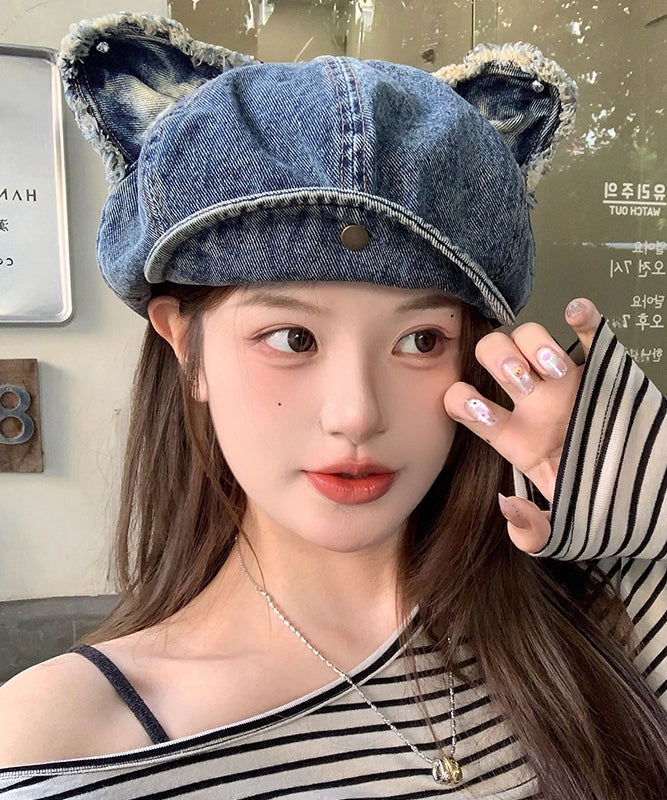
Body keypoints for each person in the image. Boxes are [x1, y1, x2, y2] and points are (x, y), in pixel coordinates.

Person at [0, 12, 665, 799]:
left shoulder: (601, 617)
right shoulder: (62, 742)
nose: (356, 415)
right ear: (185, 345)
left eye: (420, 340)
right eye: (291, 337)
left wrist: (649, 516)